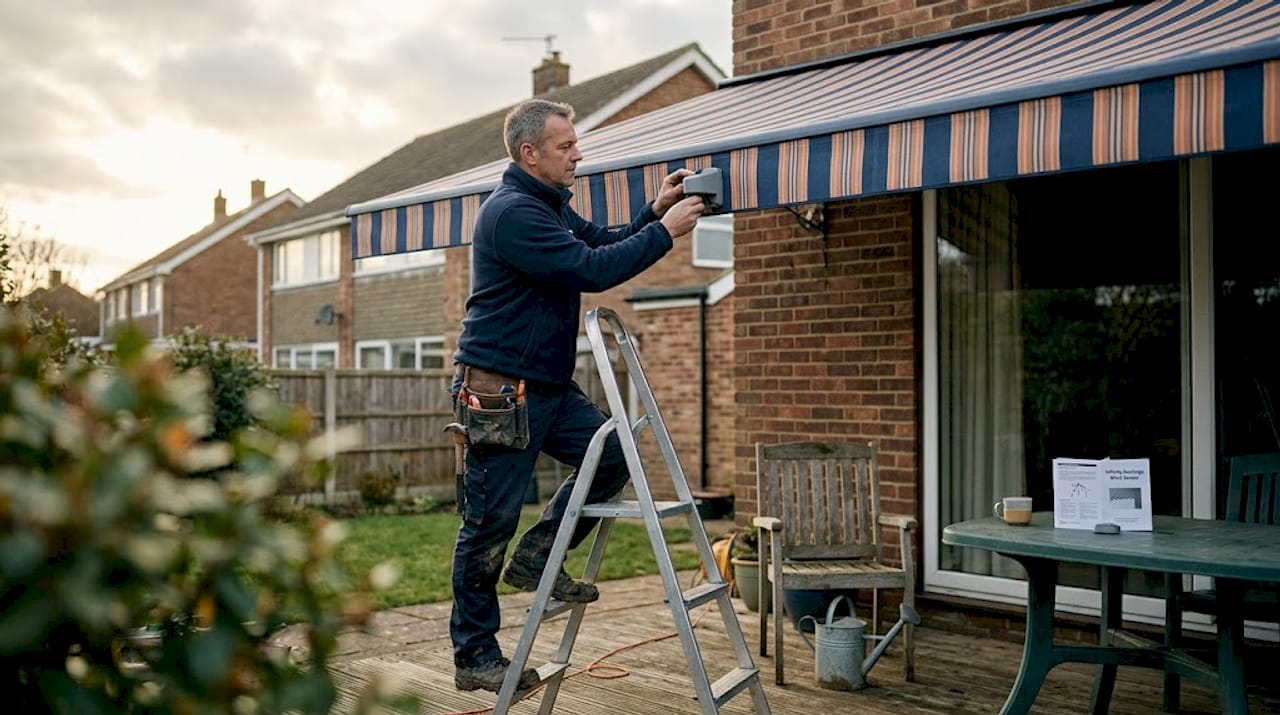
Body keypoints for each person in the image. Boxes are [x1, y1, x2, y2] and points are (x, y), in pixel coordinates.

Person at [448, 98, 706, 693]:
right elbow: (592, 269)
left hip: (546, 387)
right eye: (566, 147)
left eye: (575, 144)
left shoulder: (550, 205)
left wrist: (652, 212)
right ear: (529, 153)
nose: (578, 155)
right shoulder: (512, 213)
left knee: (613, 454)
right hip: (500, 393)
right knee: (487, 527)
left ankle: (540, 553)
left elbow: (604, 242)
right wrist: (667, 233)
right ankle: (474, 656)